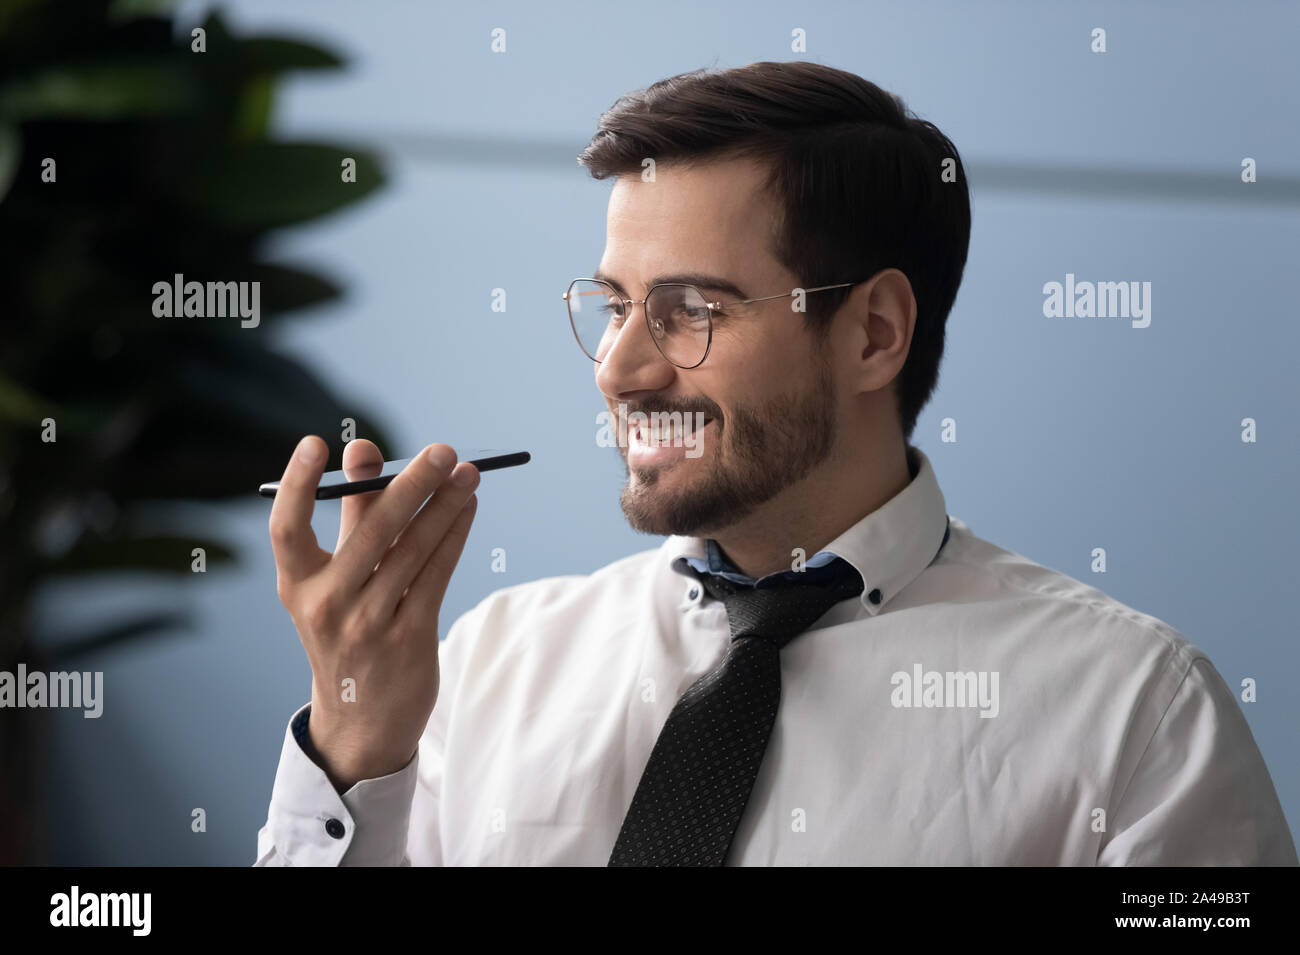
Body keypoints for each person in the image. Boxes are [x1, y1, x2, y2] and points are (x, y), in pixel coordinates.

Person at [255, 61, 1296, 866]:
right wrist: (356, 746)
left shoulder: (1136, 715)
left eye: (691, 310)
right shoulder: (487, 667)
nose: (619, 369)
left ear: (874, 333)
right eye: (613, 306)